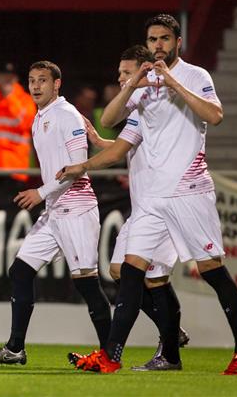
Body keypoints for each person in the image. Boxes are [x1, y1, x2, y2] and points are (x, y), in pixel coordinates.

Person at [69, 14, 237, 375]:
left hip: (188, 191)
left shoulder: (195, 76)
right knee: (131, 270)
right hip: (152, 200)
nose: (158, 46)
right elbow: (110, 120)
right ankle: (112, 356)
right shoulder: (144, 84)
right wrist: (134, 82)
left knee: (213, 270)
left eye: (164, 39)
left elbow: (214, 116)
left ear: (177, 42)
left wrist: (173, 83)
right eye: (152, 40)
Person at [0, 61, 111, 366]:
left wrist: (40, 192)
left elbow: (78, 167)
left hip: (77, 208)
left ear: (57, 84)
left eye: (42, 80)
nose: (36, 86)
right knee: (20, 271)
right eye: (32, 80)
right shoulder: (40, 118)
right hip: (55, 210)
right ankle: (15, 348)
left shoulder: (67, 115)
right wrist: (45, 196)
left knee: (87, 283)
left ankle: (109, 355)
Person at [67, 45, 190, 371]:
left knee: (151, 279)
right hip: (144, 208)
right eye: (120, 72)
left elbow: (114, 156)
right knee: (120, 271)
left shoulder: (161, 105)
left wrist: (80, 166)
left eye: (126, 72)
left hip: (165, 207)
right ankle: (170, 333)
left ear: (144, 73)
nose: (120, 78)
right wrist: (99, 142)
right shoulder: (140, 110)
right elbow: (123, 147)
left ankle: (120, 355)